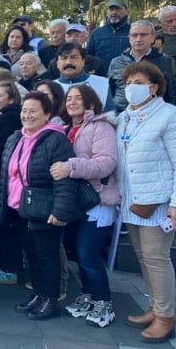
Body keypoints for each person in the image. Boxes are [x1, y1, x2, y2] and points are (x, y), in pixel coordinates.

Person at [117, 61, 176, 343]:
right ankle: (155, 307)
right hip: (132, 200)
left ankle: (165, 317)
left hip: (159, 203)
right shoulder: (126, 117)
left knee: (157, 258)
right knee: (143, 257)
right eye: (127, 83)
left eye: (137, 83)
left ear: (154, 87)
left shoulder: (172, 117)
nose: (130, 89)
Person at [0, 92, 78, 319]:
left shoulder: (55, 140)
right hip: (19, 208)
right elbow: (6, 174)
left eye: (33, 111)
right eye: (24, 110)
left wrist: (60, 211)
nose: (27, 115)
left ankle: (50, 300)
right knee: (31, 254)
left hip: (44, 210)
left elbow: (64, 179)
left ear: (47, 114)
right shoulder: (16, 137)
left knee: (46, 256)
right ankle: (38, 296)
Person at [50, 85, 120, 328]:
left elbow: (107, 162)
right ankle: (89, 296)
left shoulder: (100, 126)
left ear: (91, 103)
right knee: (79, 254)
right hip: (77, 201)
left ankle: (103, 302)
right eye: (69, 98)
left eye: (79, 98)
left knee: (88, 254)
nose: (72, 102)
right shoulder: (66, 128)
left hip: (98, 200)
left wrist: (71, 167)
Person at [108, 20, 176, 112]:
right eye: (134, 35)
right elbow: (110, 92)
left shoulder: (165, 62)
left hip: (154, 115)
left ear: (152, 38)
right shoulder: (116, 62)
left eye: (143, 35)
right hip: (122, 114)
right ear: (129, 38)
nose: (138, 39)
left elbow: (173, 94)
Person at [54, 43, 114, 111]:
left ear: (83, 61)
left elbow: (111, 116)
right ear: (57, 63)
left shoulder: (102, 83)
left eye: (74, 57)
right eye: (64, 58)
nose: (68, 62)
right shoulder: (50, 88)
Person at [87, 0, 131, 68]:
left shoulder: (133, 32)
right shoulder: (96, 33)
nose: (114, 12)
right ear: (107, 12)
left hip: (125, 77)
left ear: (126, 11)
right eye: (111, 9)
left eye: (118, 9)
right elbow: (88, 56)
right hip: (100, 77)